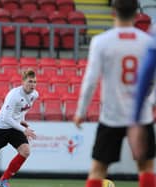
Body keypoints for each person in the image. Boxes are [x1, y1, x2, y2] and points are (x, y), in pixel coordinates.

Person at [73, 1, 155, 187]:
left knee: (98, 170)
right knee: (146, 168)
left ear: (113, 13)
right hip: (141, 116)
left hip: (112, 116)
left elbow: (90, 80)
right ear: (136, 15)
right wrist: (151, 102)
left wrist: (81, 112)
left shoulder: (101, 41)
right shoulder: (147, 42)